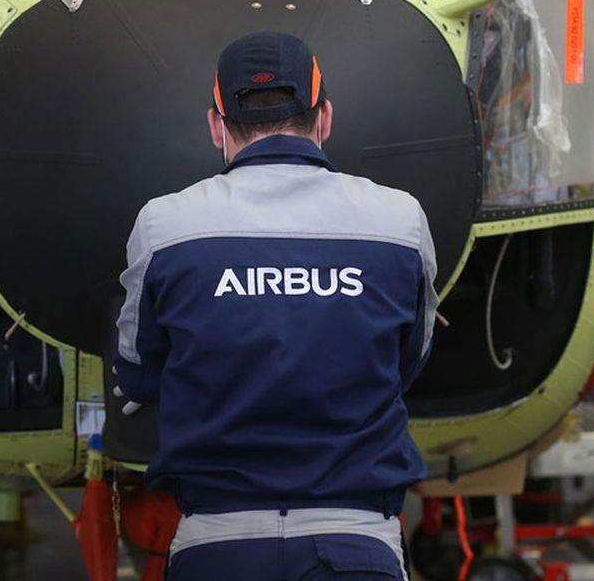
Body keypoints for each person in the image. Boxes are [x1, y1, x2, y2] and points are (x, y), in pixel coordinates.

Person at [112, 32, 439, 580]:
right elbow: (409, 363)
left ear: (217, 124)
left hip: (213, 545)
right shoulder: (399, 223)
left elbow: (139, 374)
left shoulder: (164, 227)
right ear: (325, 117)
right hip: (358, 543)